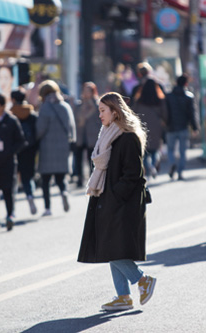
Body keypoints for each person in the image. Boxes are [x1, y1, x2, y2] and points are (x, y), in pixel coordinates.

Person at [78, 92, 156, 311]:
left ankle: (142, 280)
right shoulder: (108, 134)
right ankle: (123, 296)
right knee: (110, 246)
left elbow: (133, 175)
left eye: (103, 110)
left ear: (115, 111)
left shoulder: (128, 137)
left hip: (123, 203)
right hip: (108, 199)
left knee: (113, 247)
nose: (99, 115)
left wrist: (114, 196)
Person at [36, 80, 75, 216]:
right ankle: (64, 193)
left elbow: (40, 129)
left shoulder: (45, 107)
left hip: (47, 148)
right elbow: (72, 127)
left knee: (45, 180)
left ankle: (47, 208)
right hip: (63, 147)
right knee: (61, 177)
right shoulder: (65, 106)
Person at [0, 93, 26, 231]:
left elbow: (21, 141)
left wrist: (9, 151)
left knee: (7, 190)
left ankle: (10, 215)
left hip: (8, 162)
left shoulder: (11, 120)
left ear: (3, 105)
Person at [165, 74, 200, 180]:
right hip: (184, 127)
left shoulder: (168, 96)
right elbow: (192, 113)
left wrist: (165, 123)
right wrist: (195, 127)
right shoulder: (189, 96)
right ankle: (180, 172)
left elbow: (165, 112)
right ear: (186, 83)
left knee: (170, 149)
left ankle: (172, 163)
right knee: (183, 151)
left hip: (170, 127)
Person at [11, 89, 39, 215]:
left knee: (13, 179)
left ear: (12, 99)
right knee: (27, 178)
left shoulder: (11, 114)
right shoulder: (32, 114)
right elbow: (37, 133)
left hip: (15, 150)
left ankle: (12, 208)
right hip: (30, 149)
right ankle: (30, 196)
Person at [133, 78, 167, 178]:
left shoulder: (139, 100)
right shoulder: (159, 99)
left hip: (142, 127)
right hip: (156, 126)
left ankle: (147, 169)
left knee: (144, 149)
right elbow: (164, 114)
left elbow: (134, 112)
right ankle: (154, 165)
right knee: (155, 149)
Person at [73, 82, 101, 187]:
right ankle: (79, 178)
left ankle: (93, 178)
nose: (86, 93)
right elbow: (76, 118)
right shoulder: (79, 104)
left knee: (92, 158)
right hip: (81, 134)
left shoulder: (97, 104)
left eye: (88, 91)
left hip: (93, 135)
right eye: (85, 90)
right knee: (78, 158)